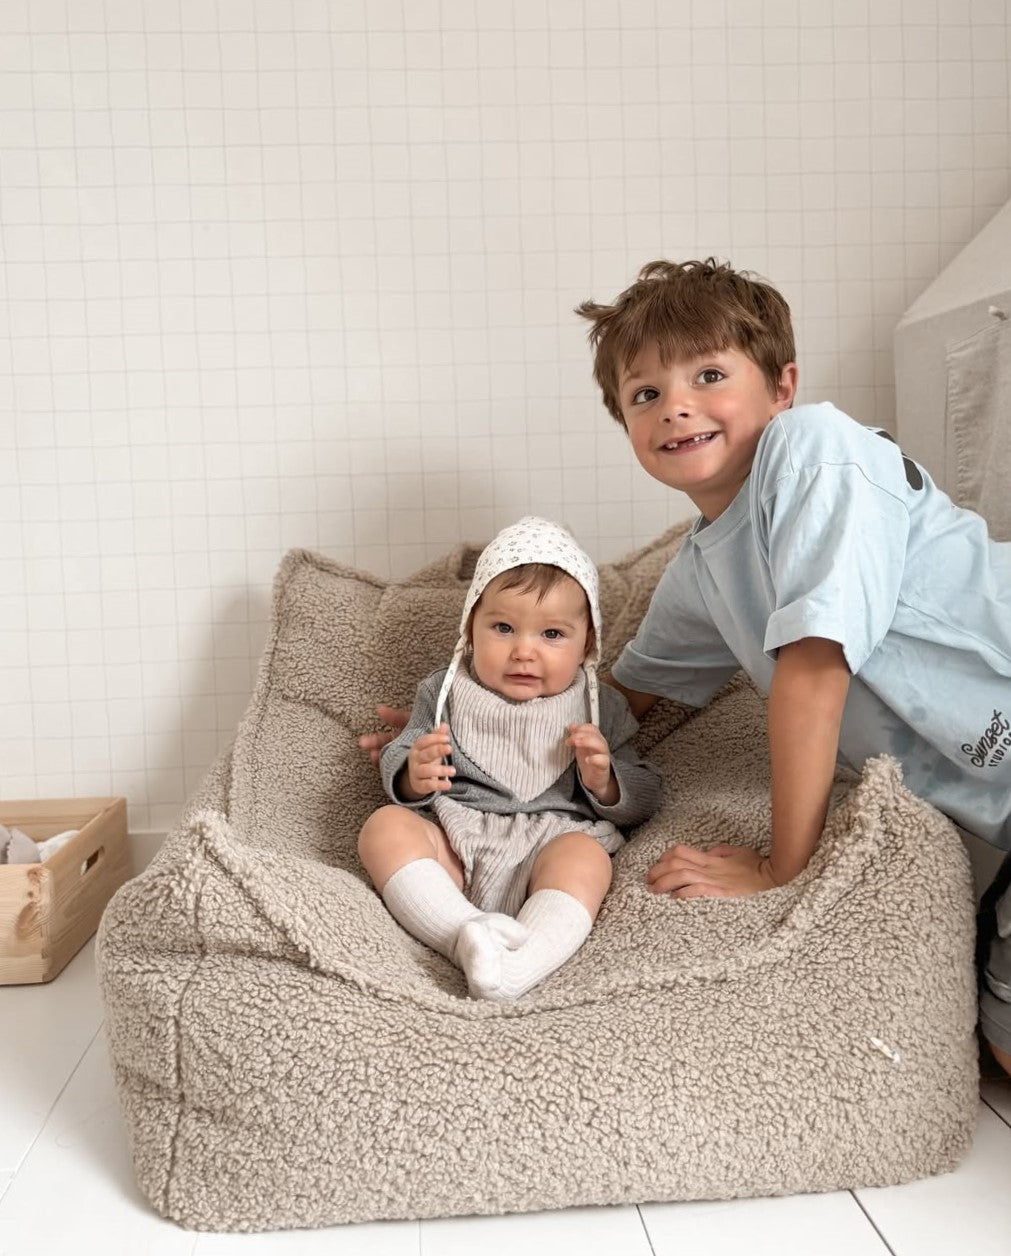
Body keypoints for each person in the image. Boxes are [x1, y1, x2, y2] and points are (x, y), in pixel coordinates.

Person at [572, 256, 1011, 1076]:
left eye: (708, 374)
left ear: (780, 385)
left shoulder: (813, 453)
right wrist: (475, 715)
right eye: (645, 395)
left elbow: (814, 668)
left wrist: (783, 864)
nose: (676, 408)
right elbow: (623, 700)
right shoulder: (702, 568)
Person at [357, 515, 661, 1001]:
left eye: (552, 635)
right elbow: (404, 747)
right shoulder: (444, 692)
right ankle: (463, 936)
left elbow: (646, 795)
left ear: (587, 644)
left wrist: (606, 780)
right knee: (384, 828)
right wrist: (413, 775)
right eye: (503, 627)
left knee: (586, 860)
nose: (524, 651)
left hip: (551, 844)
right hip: (457, 844)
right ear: (471, 631)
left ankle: (520, 966)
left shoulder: (599, 705)